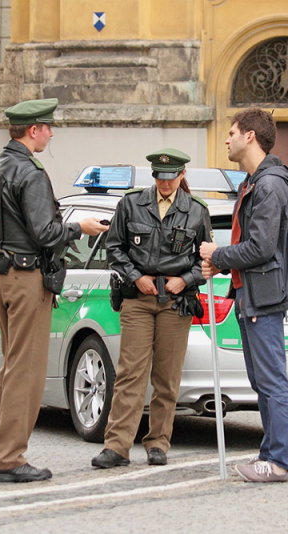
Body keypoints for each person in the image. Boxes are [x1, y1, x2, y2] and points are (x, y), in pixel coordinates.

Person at [0, 97, 109, 483]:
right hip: (25, 276)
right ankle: (8, 458)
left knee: (11, 365)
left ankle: (2, 451)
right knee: (26, 371)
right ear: (32, 130)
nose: (51, 133)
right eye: (48, 127)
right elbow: (47, 233)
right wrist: (79, 227)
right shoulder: (30, 173)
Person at [199, 108, 288, 483]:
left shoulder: (268, 184)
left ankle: (279, 461)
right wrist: (223, 264)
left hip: (262, 295)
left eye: (232, 132)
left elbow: (261, 247)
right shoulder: (255, 182)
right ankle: (270, 455)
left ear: (250, 136)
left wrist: (217, 256)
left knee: (271, 379)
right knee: (263, 379)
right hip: (252, 293)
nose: (226, 139)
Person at [91, 148, 211, 470]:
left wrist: (184, 280)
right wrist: (136, 276)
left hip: (176, 301)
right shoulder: (131, 204)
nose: (166, 183)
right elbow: (114, 247)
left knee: (167, 377)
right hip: (138, 299)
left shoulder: (197, 211)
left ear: (182, 176)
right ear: (153, 176)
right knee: (131, 373)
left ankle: (158, 442)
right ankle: (117, 446)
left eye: (171, 177)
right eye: (160, 177)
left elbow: (206, 261)